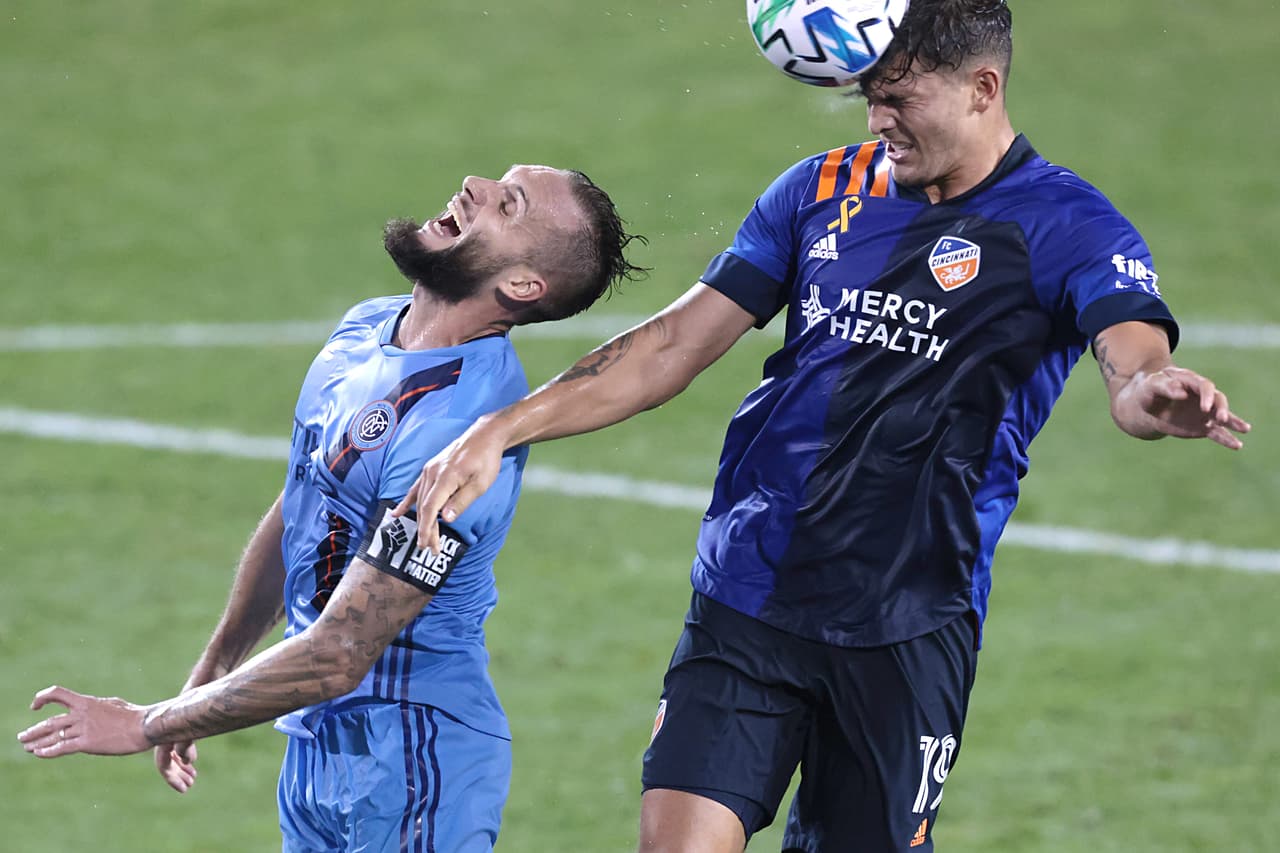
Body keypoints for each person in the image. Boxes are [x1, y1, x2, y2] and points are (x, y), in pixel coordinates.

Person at [390, 4, 1251, 852]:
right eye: (870, 96)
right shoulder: (819, 189)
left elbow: (1131, 358)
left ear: (983, 87)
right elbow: (671, 345)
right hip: (747, 596)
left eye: (900, 99)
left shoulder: (1072, 228)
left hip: (909, 627)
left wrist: (1152, 390)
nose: (880, 121)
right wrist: (501, 427)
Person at [18, 164, 644, 853]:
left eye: (508, 202)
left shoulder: (461, 431)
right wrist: (216, 664)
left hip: (414, 763)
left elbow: (341, 653)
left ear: (523, 284)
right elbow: (304, 502)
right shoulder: (366, 329)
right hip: (318, 750)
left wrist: (148, 723)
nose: (473, 184)